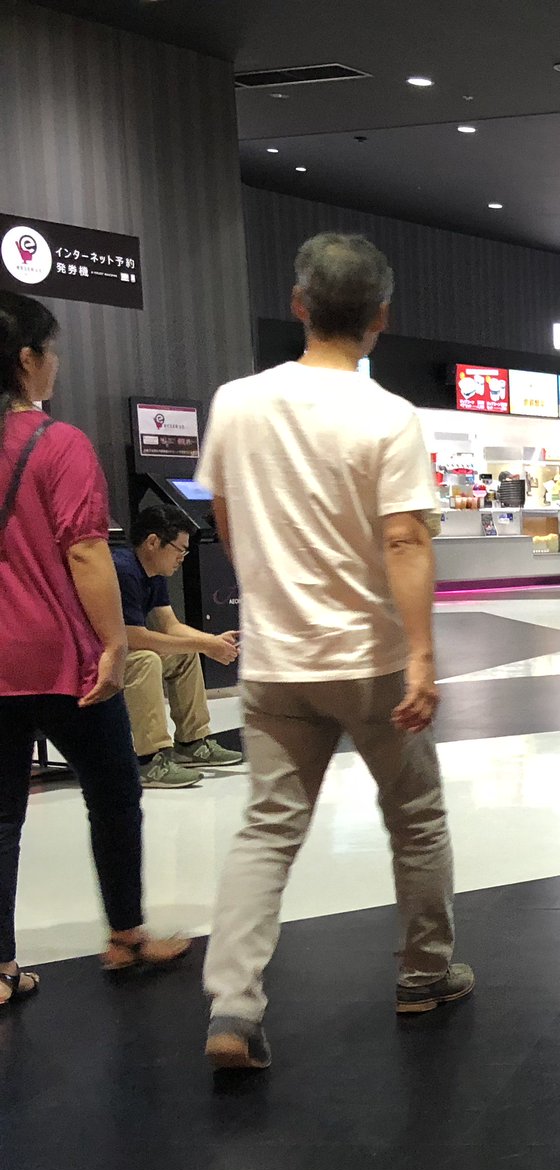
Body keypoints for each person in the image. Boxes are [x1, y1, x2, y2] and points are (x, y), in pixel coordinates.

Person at [195, 232, 471, 1071]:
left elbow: (227, 520)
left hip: (276, 664)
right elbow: (405, 539)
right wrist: (421, 657)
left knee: (267, 830)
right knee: (415, 819)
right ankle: (424, 974)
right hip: (372, 661)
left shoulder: (236, 402)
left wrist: (273, 595)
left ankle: (234, 1007)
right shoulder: (388, 416)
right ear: (381, 315)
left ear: (299, 305)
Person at [1, 293, 188, 1006]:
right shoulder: (59, 444)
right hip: (59, 657)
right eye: (50, 351)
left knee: (1, 817)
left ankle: (0, 967)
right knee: (113, 794)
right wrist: (113, 642)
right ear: (27, 360)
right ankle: (126, 935)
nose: (56, 364)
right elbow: (86, 554)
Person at [112, 504, 244, 788]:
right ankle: (149, 759)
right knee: (146, 660)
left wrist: (210, 642)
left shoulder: (153, 573)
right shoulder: (123, 569)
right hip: (96, 657)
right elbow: (133, 637)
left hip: (119, 651)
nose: (182, 558)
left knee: (184, 655)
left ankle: (192, 743)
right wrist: (206, 644)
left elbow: (170, 626)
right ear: (152, 542)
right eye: (179, 550)